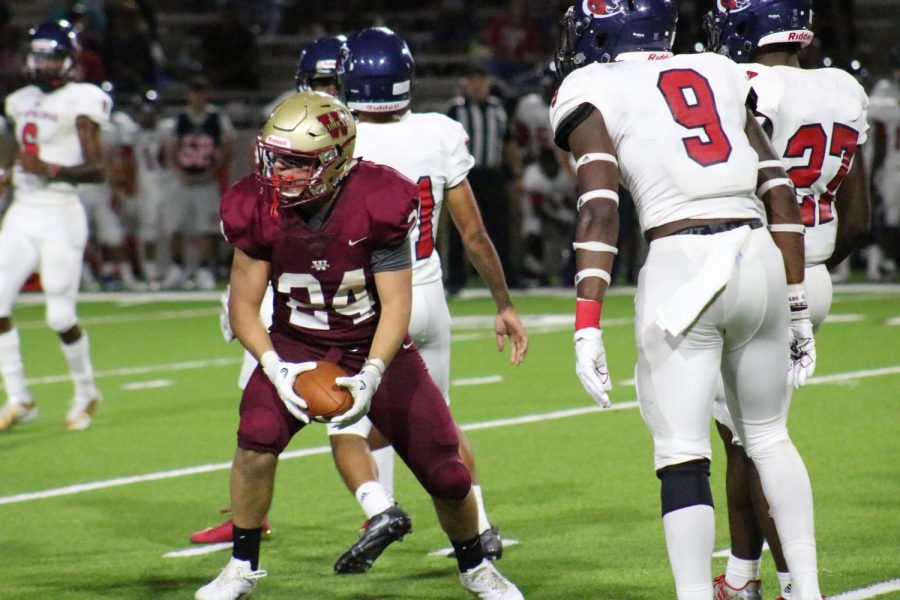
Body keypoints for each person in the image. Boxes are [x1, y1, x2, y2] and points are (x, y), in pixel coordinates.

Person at [194, 91, 524, 600]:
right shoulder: (257, 203)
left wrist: (372, 371)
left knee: (446, 471)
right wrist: (275, 367)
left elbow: (396, 305)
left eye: (295, 162)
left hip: (373, 343)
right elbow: (243, 305)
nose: (278, 171)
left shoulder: (379, 198)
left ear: (334, 161)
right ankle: (241, 566)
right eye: (274, 156)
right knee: (254, 440)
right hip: (294, 341)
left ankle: (476, 567)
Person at [551, 1, 824, 599]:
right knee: (769, 437)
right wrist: (798, 305)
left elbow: (600, 207)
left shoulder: (592, 83)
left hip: (683, 263)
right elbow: (779, 193)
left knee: (682, 454)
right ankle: (807, 590)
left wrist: (586, 325)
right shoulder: (720, 70)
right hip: (758, 255)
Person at [327, 26, 527, 574]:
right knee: (437, 425)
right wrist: (503, 304)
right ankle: (480, 527)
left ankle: (380, 509)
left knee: (345, 426)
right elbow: (474, 233)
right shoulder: (439, 132)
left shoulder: (339, 139)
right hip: (429, 296)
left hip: (369, 304)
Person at [704, 2, 870, 598]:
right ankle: (743, 577)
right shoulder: (842, 87)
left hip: (761, 273)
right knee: (745, 440)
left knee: (761, 441)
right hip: (815, 270)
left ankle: (793, 583)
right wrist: (812, 276)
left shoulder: (744, 84)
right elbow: (859, 217)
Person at [0, 20, 109, 432]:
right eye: (39, 56)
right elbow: (19, 152)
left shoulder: (82, 99)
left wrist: (48, 167)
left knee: (60, 317)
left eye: (52, 57)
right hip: (23, 211)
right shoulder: (18, 100)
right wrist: (9, 172)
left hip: (61, 212)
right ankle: (20, 397)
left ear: (70, 62)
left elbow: (98, 169)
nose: (43, 64)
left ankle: (86, 392)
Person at [162, 75, 236, 290]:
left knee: (206, 227)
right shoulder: (181, 118)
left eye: (202, 91)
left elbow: (228, 146)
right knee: (176, 225)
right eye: (195, 91)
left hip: (206, 180)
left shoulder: (216, 118)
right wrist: (179, 170)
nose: (198, 96)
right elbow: (173, 147)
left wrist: (213, 170)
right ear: (189, 94)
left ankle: (204, 269)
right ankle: (177, 268)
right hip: (183, 180)